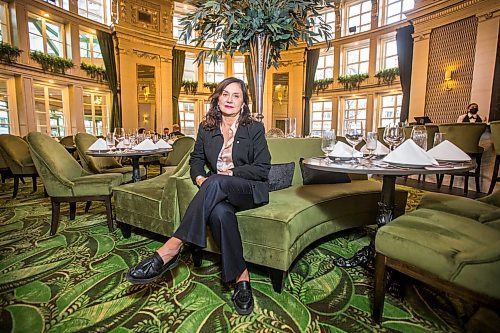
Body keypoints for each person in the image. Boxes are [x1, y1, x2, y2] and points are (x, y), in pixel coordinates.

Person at [126, 77, 271, 315]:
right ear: (217, 98)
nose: (230, 100)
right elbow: (196, 160)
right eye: (225, 94)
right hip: (217, 190)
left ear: (244, 102)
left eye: (236, 95)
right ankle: (241, 278)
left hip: (248, 188)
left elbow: (263, 167)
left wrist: (231, 172)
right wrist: (199, 178)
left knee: (216, 182)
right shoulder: (206, 128)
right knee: (220, 212)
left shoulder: (254, 128)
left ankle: (172, 248)